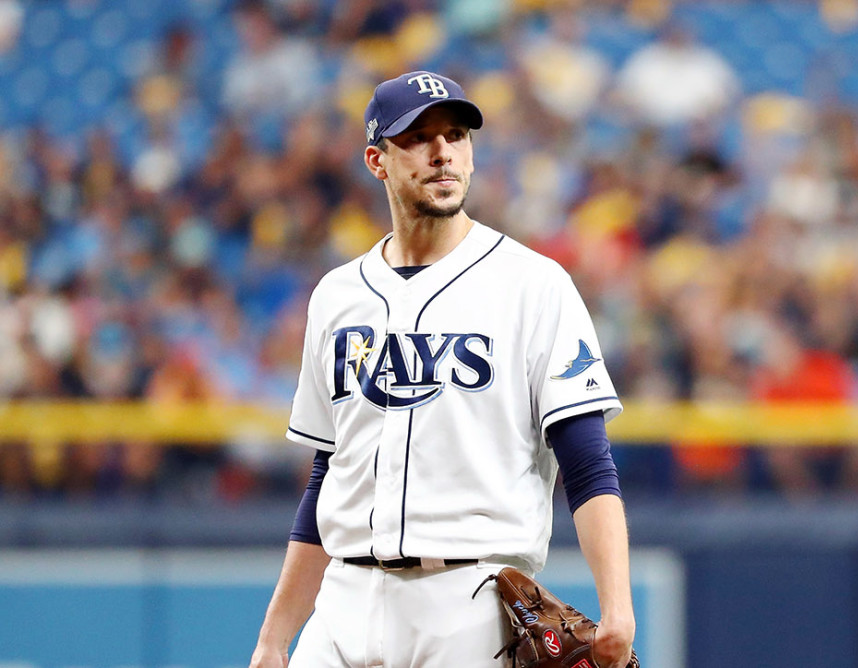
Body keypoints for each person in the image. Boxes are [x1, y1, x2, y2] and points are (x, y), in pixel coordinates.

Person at [249, 71, 636, 667]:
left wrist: (617, 603)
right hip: (343, 599)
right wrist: (276, 636)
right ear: (378, 161)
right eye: (418, 137)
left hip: (470, 600)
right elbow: (328, 474)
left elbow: (587, 462)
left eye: (455, 135)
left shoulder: (532, 285)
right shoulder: (336, 295)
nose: (441, 152)